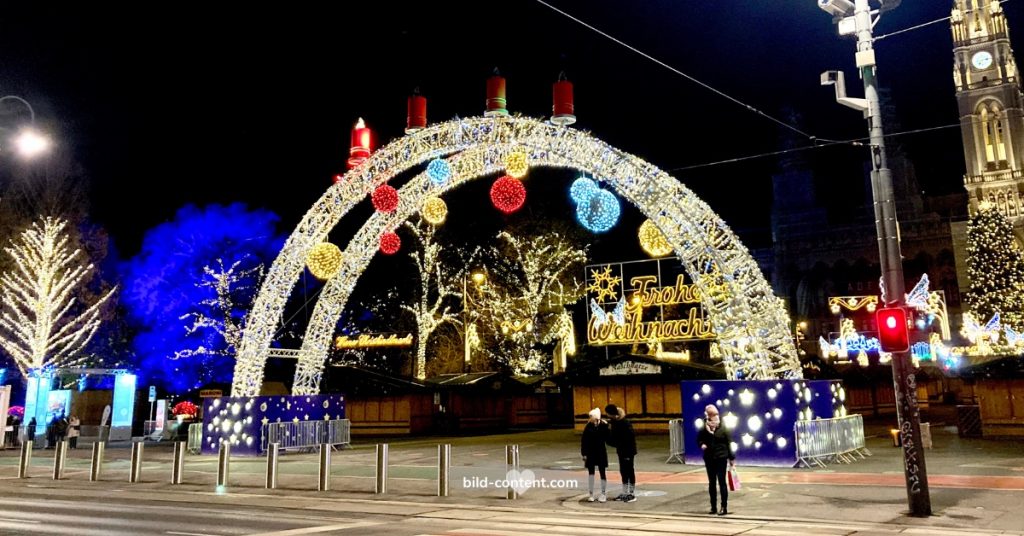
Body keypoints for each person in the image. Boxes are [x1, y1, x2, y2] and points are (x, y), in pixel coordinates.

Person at [697, 404, 735, 516]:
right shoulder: (704, 427)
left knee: (722, 482)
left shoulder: (723, 427)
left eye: (715, 415)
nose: (713, 417)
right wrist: (702, 444)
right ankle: (713, 506)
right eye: (711, 415)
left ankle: (724, 507)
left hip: (721, 457)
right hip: (709, 457)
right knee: (711, 483)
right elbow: (699, 439)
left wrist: (731, 458)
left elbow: (728, 442)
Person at [604, 404, 637, 503]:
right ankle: (625, 492)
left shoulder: (624, 423)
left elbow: (625, 438)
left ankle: (631, 493)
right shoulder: (615, 423)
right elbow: (614, 439)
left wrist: (608, 437)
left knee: (628, 471)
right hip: (622, 450)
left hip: (627, 450)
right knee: (623, 471)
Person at [580, 408, 609, 503]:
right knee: (591, 474)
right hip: (590, 452)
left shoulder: (604, 426)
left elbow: (608, 437)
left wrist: (607, 426)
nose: (589, 418)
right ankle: (591, 494)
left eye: (591, 416)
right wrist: (584, 454)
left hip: (601, 452)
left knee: (602, 473)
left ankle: (603, 493)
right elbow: (584, 441)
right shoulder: (588, 426)